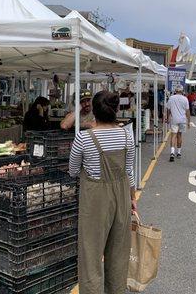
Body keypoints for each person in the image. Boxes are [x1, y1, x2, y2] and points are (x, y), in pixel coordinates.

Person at [69, 91, 136, 293]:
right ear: (116, 110)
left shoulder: (84, 138)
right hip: (122, 196)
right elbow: (129, 171)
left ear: (94, 113)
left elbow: (73, 170)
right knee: (118, 252)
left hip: (95, 199)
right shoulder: (127, 135)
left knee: (91, 253)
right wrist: (132, 199)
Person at [166, 85, 190, 162]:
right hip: (182, 120)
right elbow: (187, 111)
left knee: (173, 135)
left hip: (174, 119)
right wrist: (188, 121)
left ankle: (172, 152)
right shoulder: (185, 99)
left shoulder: (171, 98)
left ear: (175, 91)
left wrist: (167, 117)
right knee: (179, 135)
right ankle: (179, 152)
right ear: (182, 91)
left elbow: (168, 109)